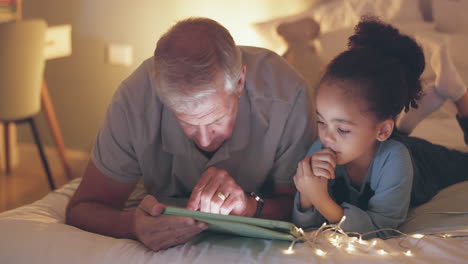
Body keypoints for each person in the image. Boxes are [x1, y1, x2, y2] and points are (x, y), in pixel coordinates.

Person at [65, 17, 314, 251]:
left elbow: (301, 208)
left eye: (216, 119)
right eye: (187, 122)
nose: (205, 140)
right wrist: (132, 225)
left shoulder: (287, 98)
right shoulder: (135, 99)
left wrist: (250, 207)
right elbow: (83, 208)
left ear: (239, 82)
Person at [291, 17, 468, 238]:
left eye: (342, 129)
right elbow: (303, 226)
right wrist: (307, 195)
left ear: (382, 130)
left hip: (421, 162)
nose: (327, 136)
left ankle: (458, 93)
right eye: (321, 121)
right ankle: (416, 113)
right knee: (390, 138)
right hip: (379, 138)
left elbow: (382, 229)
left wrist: (320, 199)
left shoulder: (397, 159)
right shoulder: (320, 149)